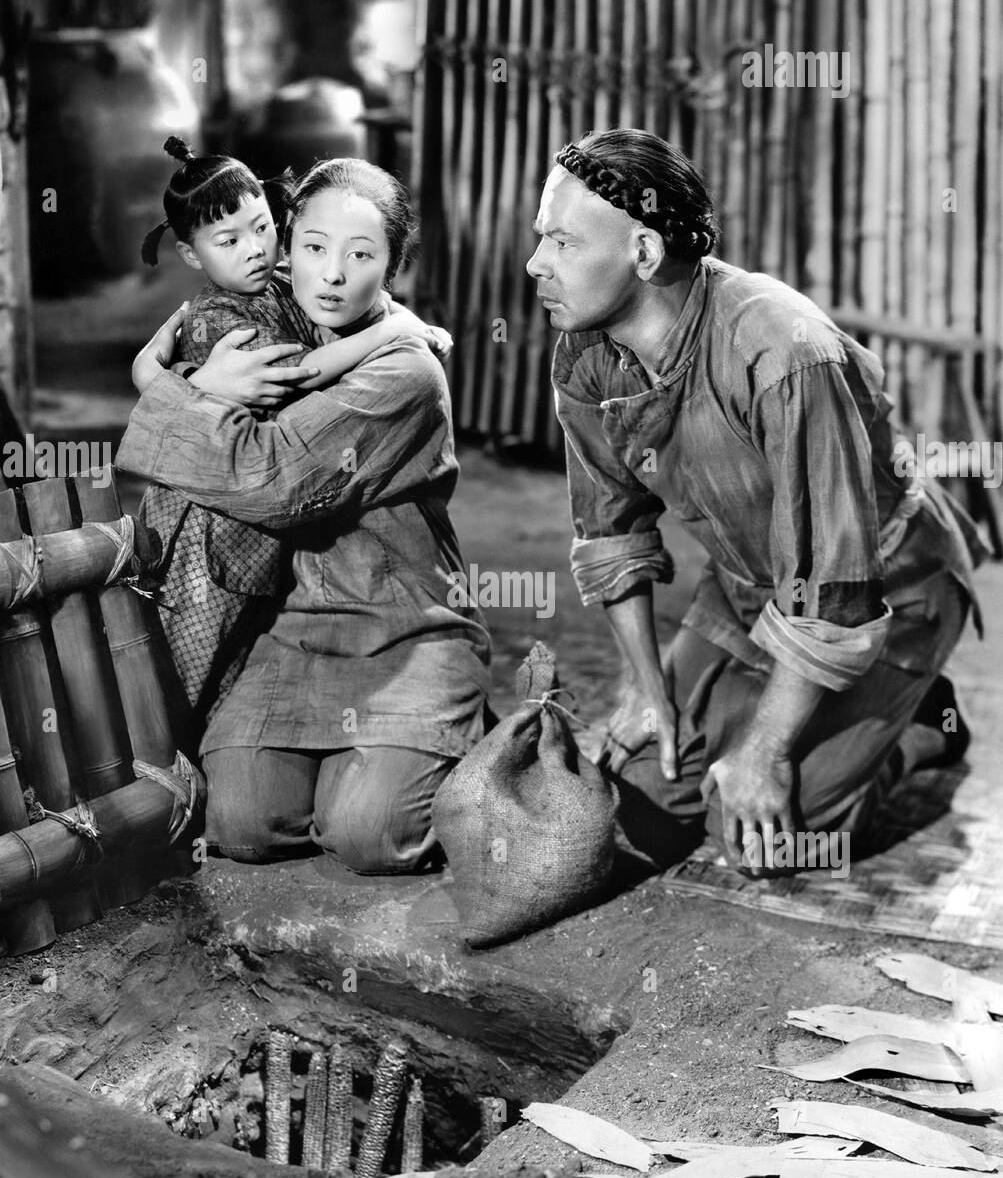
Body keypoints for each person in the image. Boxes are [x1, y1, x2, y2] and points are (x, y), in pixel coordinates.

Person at [527, 128, 985, 878]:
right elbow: (611, 534)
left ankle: (924, 728)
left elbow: (835, 582)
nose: (534, 263)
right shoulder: (582, 353)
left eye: (561, 242)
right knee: (642, 776)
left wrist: (765, 752)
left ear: (643, 253)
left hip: (886, 585)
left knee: (766, 835)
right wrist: (646, 691)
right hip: (749, 583)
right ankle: (794, 713)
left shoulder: (781, 352)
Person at [119, 157, 491, 873]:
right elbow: (172, 337)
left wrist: (169, 396)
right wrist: (163, 373)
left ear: (393, 264)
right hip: (291, 631)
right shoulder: (277, 305)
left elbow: (271, 480)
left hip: (401, 629)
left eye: (361, 255)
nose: (331, 274)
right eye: (313, 247)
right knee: (243, 826)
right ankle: (358, 764)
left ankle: (446, 742)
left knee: (368, 836)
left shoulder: (404, 369)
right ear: (288, 244)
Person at [139, 137, 450, 732]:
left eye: (261, 228)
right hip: (206, 522)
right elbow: (299, 373)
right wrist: (398, 331)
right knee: (183, 679)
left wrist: (399, 324)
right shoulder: (216, 317)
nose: (254, 251)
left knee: (231, 672)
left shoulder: (283, 283)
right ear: (191, 254)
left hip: (266, 529)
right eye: (228, 242)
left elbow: (355, 292)